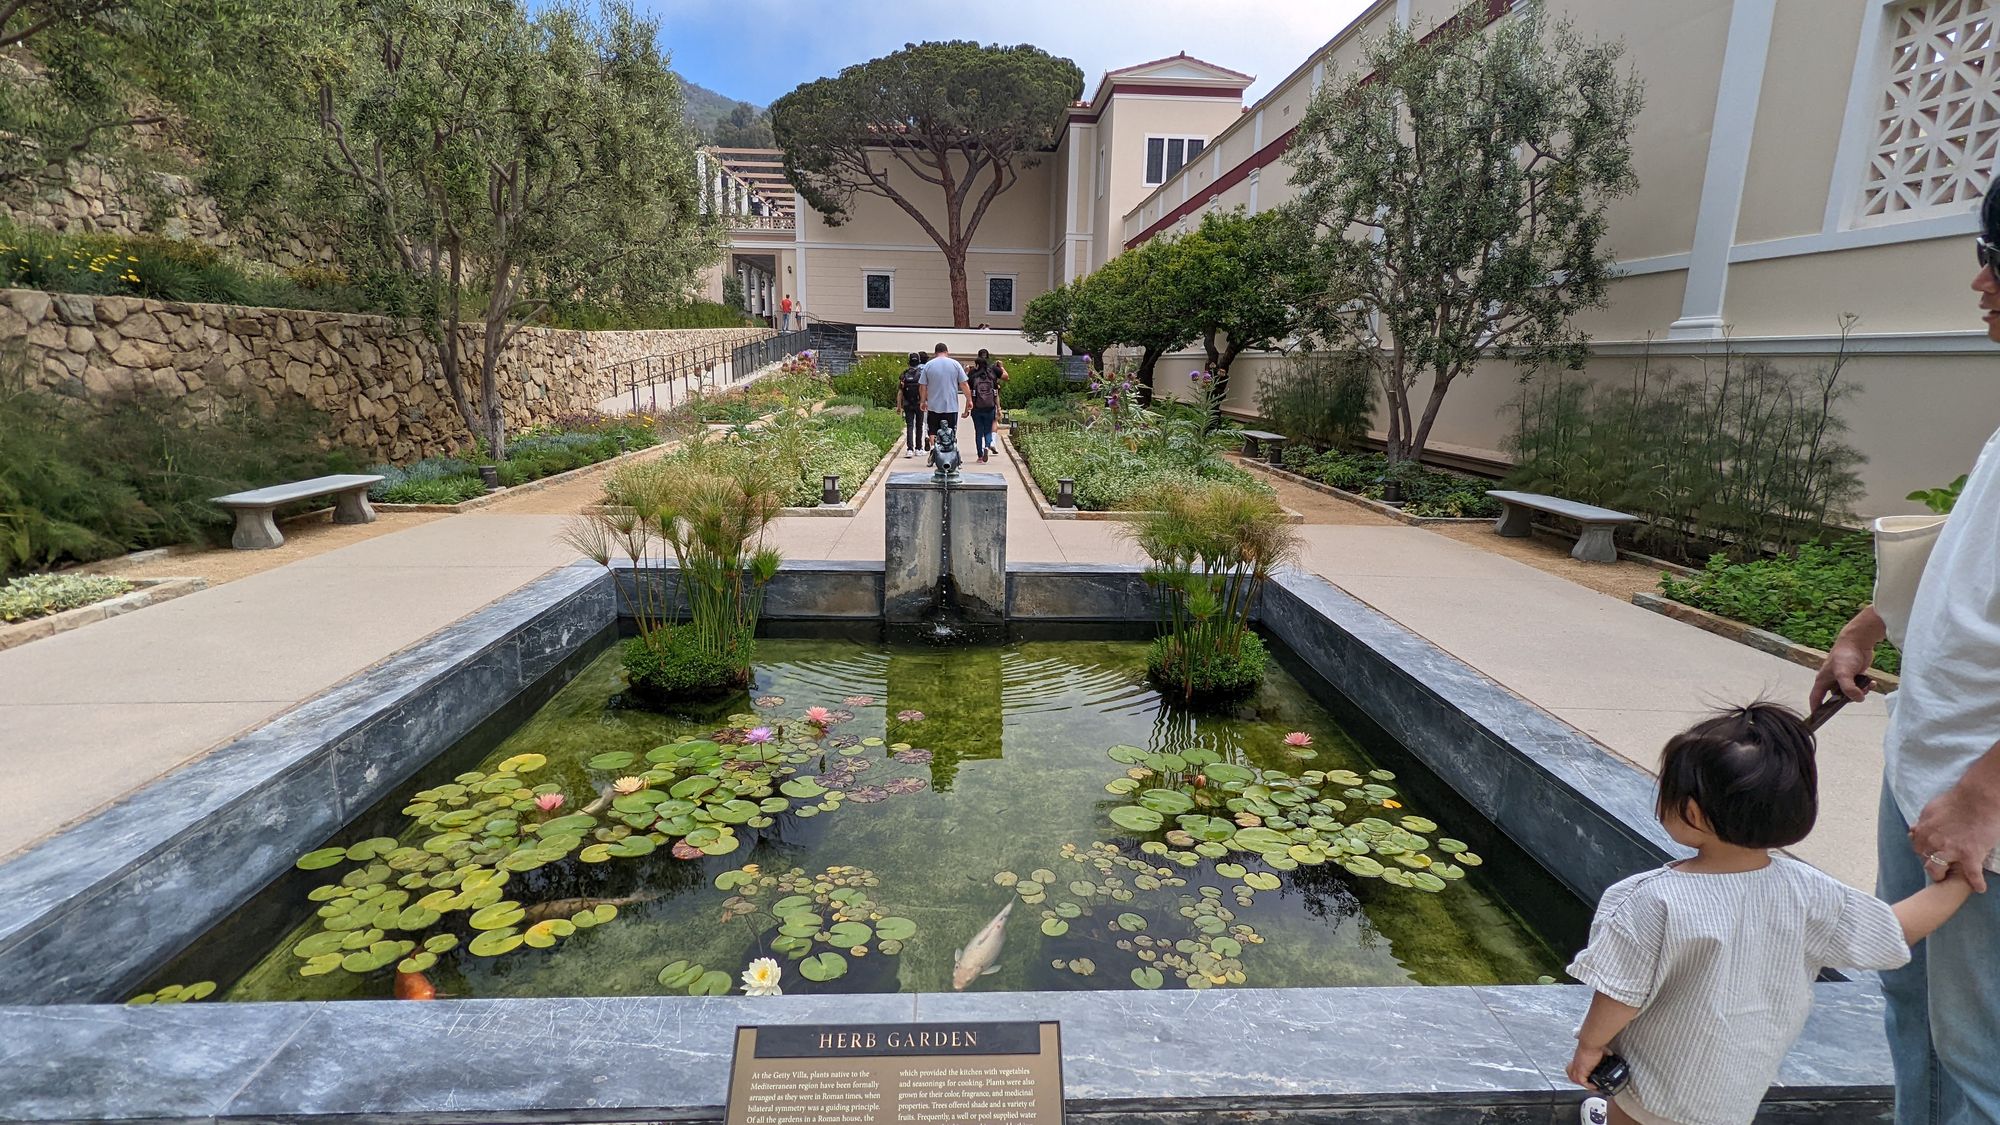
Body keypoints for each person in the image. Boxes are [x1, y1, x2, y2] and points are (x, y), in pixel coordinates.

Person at [1811, 179, 2000, 1125]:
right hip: (1924, 771)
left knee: (1981, 1058)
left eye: (1996, 263)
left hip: (1982, 811)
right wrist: (1871, 620)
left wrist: (1984, 797)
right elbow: (1970, 555)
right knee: (1910, 1006)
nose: (1980, 282)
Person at [1566, 704, 1970, 1125]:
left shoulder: (1649, 899)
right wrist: (1957, 880)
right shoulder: (1809, 890)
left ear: (1693, 812)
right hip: (1736, 1087)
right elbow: (1891, 930)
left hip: (1656, 1082)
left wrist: (1591, 1046)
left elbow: (1621, 994)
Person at [918, 343, 969, 449]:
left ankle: (933, 449)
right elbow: (964, 384)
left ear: (935, 353)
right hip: (951, 406)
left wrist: (923, 401)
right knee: (950, 430)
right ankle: (949, 451)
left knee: (933, 430)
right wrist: (969, 400)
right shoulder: (955, 364)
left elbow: (923, 386)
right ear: (947, 352)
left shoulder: (928, 365)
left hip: (933, 405)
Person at [966, 348, 1008, 464]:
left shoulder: (973, 373)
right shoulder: (993, 372)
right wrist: (998, 408)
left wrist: (967, 409)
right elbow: (1002, 382)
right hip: (990, 406)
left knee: (978, 431)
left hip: (976, 407)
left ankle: (980, 456)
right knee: (988, 430)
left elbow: (969, 392)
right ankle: (987, 446)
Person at [898, 352, 925, 459]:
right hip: (919, 403)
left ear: (908, 362)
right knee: (919, 425)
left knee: (910, 426)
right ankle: (919, 448)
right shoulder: (921, 374)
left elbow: (900, 391)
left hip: (907, 403)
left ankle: (910, 449)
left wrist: (899, 406)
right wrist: (924, 401)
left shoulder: (904, 374)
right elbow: (923, 389)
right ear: (918, 361)